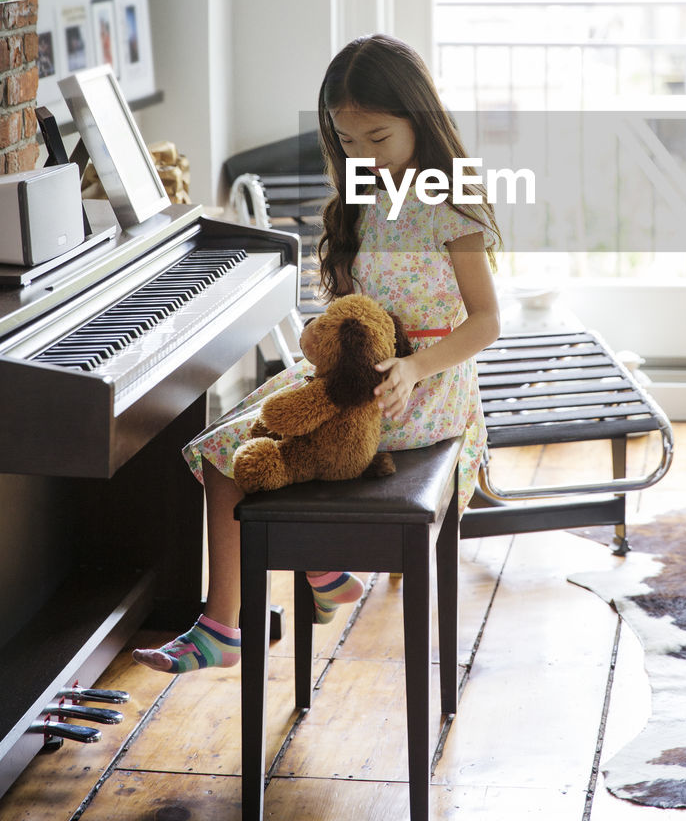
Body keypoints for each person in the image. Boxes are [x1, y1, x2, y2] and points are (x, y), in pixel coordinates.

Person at [133, 33, 501, 674]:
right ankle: (321, 575)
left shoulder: (451, 208)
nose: (365, 156)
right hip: (362, 378)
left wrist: (413, 367)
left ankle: (225, 625)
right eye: (348, 142)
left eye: (379, 139)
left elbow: (488, 322)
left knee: (230, 458)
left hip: (421, 393)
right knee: (230, 438)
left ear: (421, 119)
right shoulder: (362, 202)